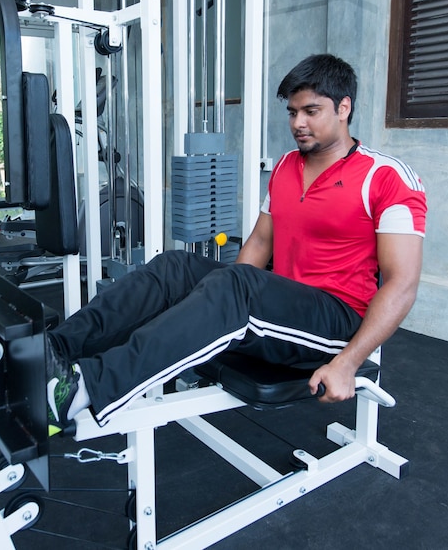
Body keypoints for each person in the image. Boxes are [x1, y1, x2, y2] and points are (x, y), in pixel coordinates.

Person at [46, 53, 426, 434]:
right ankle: (53, 351)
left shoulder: (386, 177)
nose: (298, 123)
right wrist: (216, 311)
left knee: (237, 286)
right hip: (282, 305)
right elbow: (260, 242)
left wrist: (348, 362)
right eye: (293, 112)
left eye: (311, 111)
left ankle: (84, 389)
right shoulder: (286, 167)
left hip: (337, 322)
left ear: (344, 108)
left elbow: (402, 284)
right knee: (175, 267)